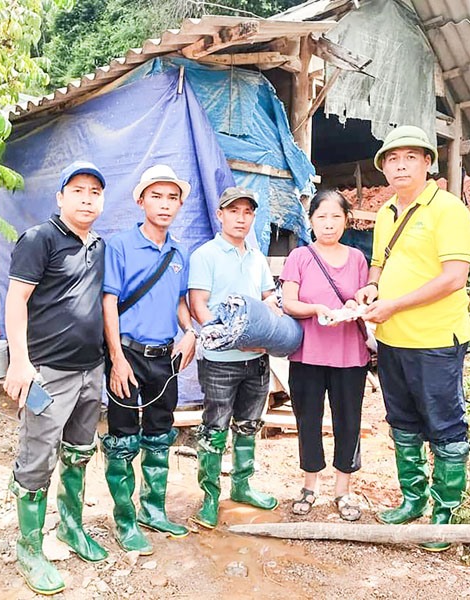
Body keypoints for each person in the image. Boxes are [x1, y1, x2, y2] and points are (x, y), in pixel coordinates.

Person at [357, 125, 470, 551]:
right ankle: (413, 499)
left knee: (444, 424)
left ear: (428, 163)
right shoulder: (387, 211)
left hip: (436, 340)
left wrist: (394, 304)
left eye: (411, 156)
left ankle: (443, 513)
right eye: (392, 158)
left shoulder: (448, 210)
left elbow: (453, 278)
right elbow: (377, 265)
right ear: (384, 167)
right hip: (392, 339)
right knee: (402, 422)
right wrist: (372, 288)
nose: (401, 164)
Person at [2, 161, 108, 595]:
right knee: (37, 459)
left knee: (80, 450)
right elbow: (16, 302)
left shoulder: (99, 244)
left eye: (95, 191)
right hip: (48, 373)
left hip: (90, 370)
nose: (86, 197)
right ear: (60, 197)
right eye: (78, 189)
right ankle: (29, 547)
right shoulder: (39, 239)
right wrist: (19, 362)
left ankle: (70, 527)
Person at [102, 164, 197, 555]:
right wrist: (116, 359)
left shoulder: (178, 253)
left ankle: (153, 510)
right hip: (127, 354)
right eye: (156, 196)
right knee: (123, 437)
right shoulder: (120, 245)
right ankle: (125, 520)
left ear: (179, 205)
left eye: (172, 197)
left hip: (164, 358)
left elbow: (178, 302)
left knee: (160, 433)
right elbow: (109, 302)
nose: (164, 204)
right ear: (141, 201)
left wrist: (190, 331)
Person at [188, 187, 280, 529]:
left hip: (256, 359)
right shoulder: (205, 255)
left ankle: (241, 486)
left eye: (247, 212)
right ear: (220, 215)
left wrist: (270, 322)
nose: (241, 218)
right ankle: (210, 496)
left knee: (248, 425)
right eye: (234, 211)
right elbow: (198, 305)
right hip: (219, 360)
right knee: (214, 429)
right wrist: (229, 335)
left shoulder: (257, 257)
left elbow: (269, 296)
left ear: (253, 218)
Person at [280, 190, 371, 521]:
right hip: (307, 354)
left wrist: (352, 307)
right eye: (322, 217)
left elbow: (363, 302)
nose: (329, 224)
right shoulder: (299, 257)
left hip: (350, 355)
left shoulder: (358, 259)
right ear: (311, 221)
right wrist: (316, 308)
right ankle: (309, 486)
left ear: (346, 220)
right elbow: (288, 302)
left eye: (335, 217)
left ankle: (343, 490)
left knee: (349, 421)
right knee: (308, 420)